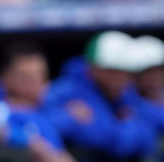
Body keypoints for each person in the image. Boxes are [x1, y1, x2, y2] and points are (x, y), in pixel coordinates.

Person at [42, 31, 157, 161]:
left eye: (125, 72)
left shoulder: (127, 92)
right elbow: (42, 126)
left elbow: (147, 135)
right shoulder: (65, 91)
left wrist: (126, 127)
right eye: (112, 71)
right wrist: (70, 118)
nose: (118, 78)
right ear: (93, 68)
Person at [0, 41, 73, 162]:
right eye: (25, 77)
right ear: (4, 77)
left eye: (40, 75)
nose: (34, 83)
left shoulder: (46, 117)